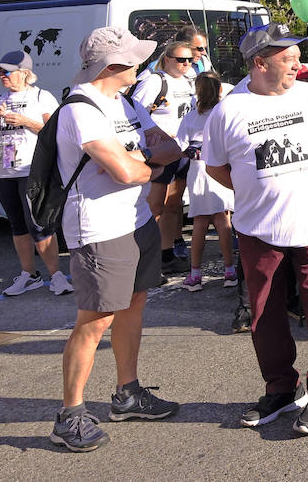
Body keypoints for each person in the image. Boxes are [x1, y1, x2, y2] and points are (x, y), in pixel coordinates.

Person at [205, 23, 308, 434]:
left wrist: (297, 183)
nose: (298, 63)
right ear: (259, 62)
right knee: (264, 314)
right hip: (257, 228)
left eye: (296, 56)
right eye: (288, 58)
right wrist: (257, 191)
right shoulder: (228, 110)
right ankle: (283, 389)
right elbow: (216, 167)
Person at [50, 27, 182, 452]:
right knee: (95, 321)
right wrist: (146, 165)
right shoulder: (80, 109)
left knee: (134, 305)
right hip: (99, 230)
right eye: (133, 59)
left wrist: (140, 161)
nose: (140, 65)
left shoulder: (123, 100)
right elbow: (124, 172)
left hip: (136, 219)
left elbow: (171, 147)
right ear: (113, 66)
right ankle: (69, 416)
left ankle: (128, 394)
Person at [0, 51, 72, 297]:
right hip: (2, 171)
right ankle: (28, 274)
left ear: (24, 73)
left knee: (38, 224)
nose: (2, 76)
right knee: (17, 224)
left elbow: (54, 132)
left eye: (6, 71)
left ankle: (56, 275)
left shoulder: (41, 96)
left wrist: (25, 121)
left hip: (30, 169)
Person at [129, 40, 198, 273]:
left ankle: (166, 255)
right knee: (154, 206)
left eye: (190, 59)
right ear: (167, 58)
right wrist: (155, 134)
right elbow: (135, 113)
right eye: (181, 59)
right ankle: (145, 257)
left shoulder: (191, 81)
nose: (186, 63)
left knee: (173, 205)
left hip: (183, 151)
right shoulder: (154, 81)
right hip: (162, 152)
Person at [174, 72, 237, 292]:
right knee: (223, 219)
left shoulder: (190, 117)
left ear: (198, 91)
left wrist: (194, 150)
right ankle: (230, 271)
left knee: (200, 221)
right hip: (221, 168)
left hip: (198, 171)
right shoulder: (225, 113)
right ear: (219, 89)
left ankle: (195, 274)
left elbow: (180, 147)